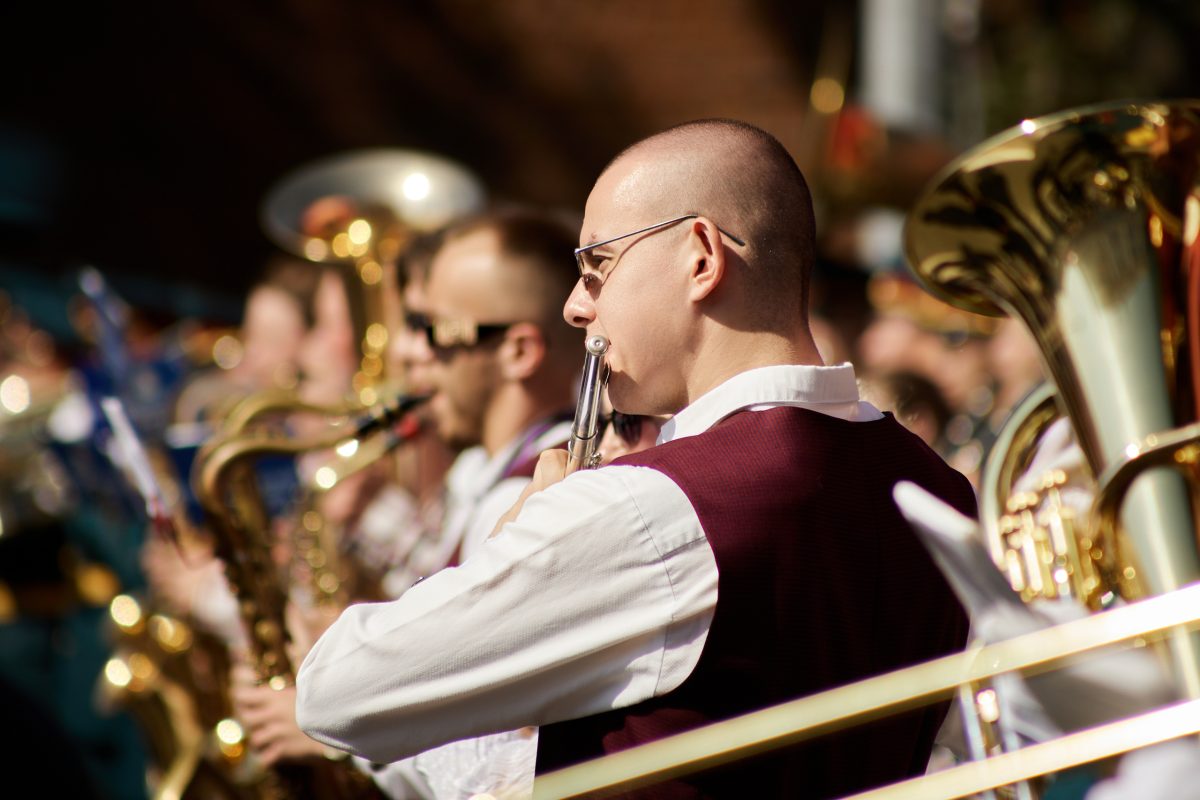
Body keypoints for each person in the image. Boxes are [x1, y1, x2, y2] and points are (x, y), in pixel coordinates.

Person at [296, 120, 976, 798]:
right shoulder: (940, 486)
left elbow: (336, 692)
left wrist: (524, 532)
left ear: (701, 258)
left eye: (597, 268)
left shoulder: (647, 504)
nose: (574, 306)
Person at [235, 207, 585, 799]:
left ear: (520, 351)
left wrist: (340, 725)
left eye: (432, 328)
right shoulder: (483, 472)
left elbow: (502, 752)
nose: (407, 352)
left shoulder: (532, 501)